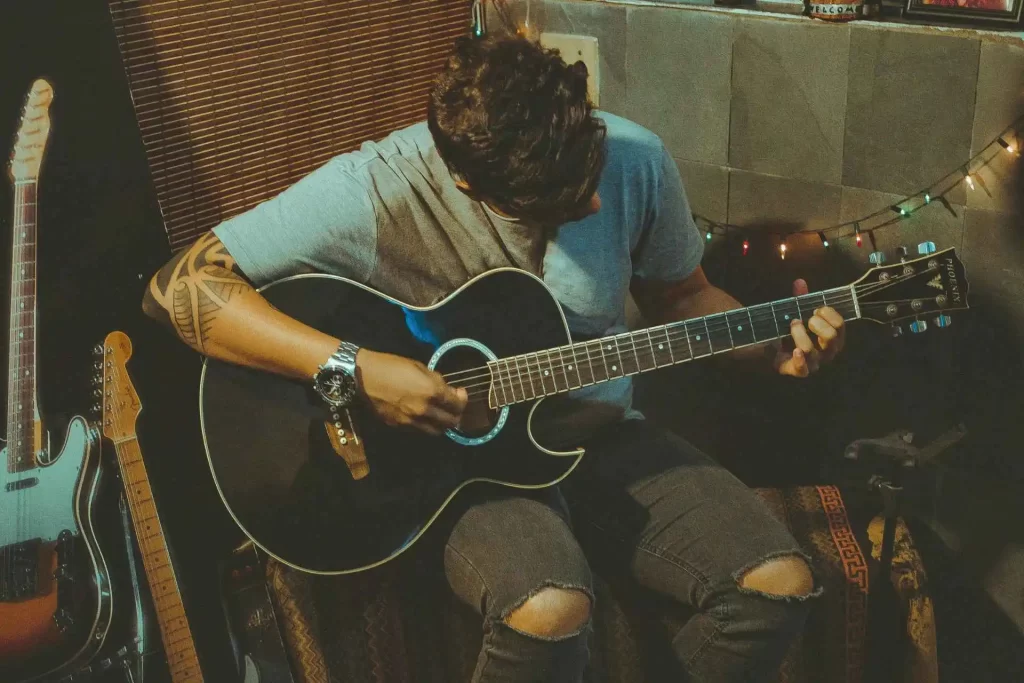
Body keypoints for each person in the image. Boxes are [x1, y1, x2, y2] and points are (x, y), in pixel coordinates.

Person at [142, 34, 845, 683]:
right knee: (548, 605)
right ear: (469, 183)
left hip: (598, 432)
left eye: (591, 169)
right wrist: (352, 367)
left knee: (776, 584)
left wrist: (766, 345)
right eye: (560, 202)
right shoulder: (375, 189)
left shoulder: (635, 160)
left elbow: (686, 298)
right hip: (457, 469)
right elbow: (178, 289)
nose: (595, 198)